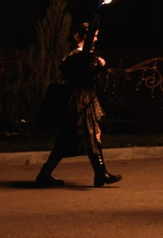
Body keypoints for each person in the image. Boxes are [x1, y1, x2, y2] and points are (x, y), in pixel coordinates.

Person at [33, 21, 119, 188]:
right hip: (81, 98)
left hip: (81, 97)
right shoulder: (79, 56)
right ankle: (101, 174)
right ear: (83, 36)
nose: (96, 39)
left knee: (70, 137)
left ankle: (45, 174)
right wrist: (100, 67)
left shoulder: (76, 55)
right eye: (94, 35)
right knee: (92, 133)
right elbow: (83, 77)